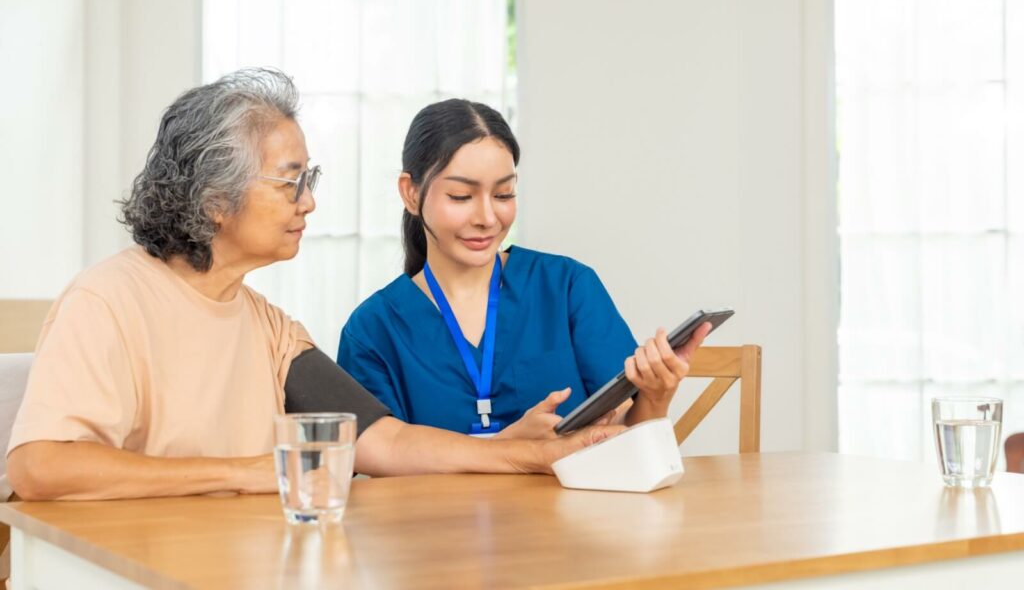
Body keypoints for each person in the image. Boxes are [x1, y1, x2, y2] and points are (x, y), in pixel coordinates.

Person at [3, 69, 617, 502]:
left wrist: (517, 453)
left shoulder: (265, 325)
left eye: (310, 178)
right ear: (215, 199)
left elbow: (383, 440)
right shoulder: (108, 300)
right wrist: (252, 472)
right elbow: (40, 466)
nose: (310, 202)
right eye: (290, 182)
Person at [337, 99, 710, 440]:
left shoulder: (566, 288)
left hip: (571, 513)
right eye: (461, 197)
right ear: (411, 193)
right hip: (440, 517)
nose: (487, 218)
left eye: (503, 195)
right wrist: (506, 448)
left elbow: (625, 437)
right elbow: (378, 470)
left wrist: (656, 398)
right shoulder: (372, 331)